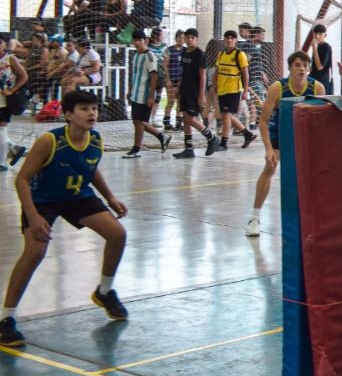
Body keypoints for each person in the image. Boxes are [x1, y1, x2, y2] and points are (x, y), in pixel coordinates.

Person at [0, 90, 130, 348]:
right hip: (43, 199)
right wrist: (33, 217)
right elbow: (22, 179)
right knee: (35, 252)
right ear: (68, 115)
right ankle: (6, 319)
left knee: (117, 234)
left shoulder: (95, 140)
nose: (91, 113)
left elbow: (90, 169)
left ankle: (104, 292)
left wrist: (110, 197)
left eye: (94, 108)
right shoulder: (50, 141)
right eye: (84, 108)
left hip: (76, 195)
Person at [245, 51, 324, 238]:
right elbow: (263, 121)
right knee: (270, 167)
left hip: (304, 134)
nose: (301, 69)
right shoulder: (277, 88)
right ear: (290, 68)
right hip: (280, 133)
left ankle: (311, 219)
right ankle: (254, 218)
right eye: (297, 65)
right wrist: (268, 149)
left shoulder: (317, 88)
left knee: (311, 174)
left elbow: (322, 119)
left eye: (305, 65)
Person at [122, 30, 171, 158]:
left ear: (146, 41)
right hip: (136, 94)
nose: (138, 42)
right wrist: (130, 89)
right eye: (135, 40)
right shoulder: (136, 55)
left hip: (144, 95)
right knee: (137, 121)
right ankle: (162, 137)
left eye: (140, 40)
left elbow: (154, 76)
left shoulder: (150, 56)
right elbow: (135, 74)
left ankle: (136, 148)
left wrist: (150, 96)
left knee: (140, 122)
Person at [172, 28, 221, 158]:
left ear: (197, 39)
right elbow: (183, 72)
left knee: (190, 119)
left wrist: (201, 95)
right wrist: (178, 87)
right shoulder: (184, 52)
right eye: (187, 37)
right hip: (184, 90)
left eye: (192, 38)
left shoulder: (200, 55)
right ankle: (189, 149)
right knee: (185, 119)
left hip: (194, 92)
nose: (189, 40)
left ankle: (211, 137)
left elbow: (202, 75)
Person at [213, 30, 256, 149]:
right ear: (224, 40)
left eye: (232, 38)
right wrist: (214, 85)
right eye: (227, 38)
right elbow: (217, 70)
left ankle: (224, 143)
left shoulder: (240, 55)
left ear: (236, 40)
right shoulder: (221, 54)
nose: (229, 40)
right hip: (222, 89)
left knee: (226, 115)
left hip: (233, 90)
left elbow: (245, 74)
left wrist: (245, 91)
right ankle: (248, 134)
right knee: (226, 115)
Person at [0, 35, 30, 170]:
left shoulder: (10, 58)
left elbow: (24, 76)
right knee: (1, 131)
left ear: (4, 44)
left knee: (1, 129)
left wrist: (12, 90)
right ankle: (12, 151)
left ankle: (5, 159)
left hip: (4, 100)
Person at [307, 23, 333, 93]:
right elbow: (314, 65)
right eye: (316, 34)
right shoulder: (317, 46)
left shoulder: (326, 47)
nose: (317, 36)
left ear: (325, 35)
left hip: (322, 81)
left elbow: (320, 67)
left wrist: (314, 49)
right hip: (314, 79)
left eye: (320, 34)